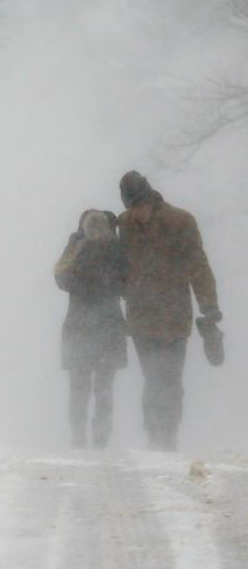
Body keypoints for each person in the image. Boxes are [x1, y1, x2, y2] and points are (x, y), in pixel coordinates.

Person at [117, 171, 222, 451]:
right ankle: (154, 435)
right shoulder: (124, 224)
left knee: (171, 379)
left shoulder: (181, 221)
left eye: (139, 206)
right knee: (152, 376)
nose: (137, 213)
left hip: (173, 314)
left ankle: (169, 435)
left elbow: (198, 267)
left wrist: (209, 308)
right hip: (140, 315)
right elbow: (119, 266)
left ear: (149, 198)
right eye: (131, 208)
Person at [54, 209, 127, 449]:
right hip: (103, 326)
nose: (95, 231)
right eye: (91, 226)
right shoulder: (114, 247)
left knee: (82, 386)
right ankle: (95, 437)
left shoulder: (82, 247)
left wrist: (83, 283)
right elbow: (125, 281)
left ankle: (85, 437)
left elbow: (61, 276)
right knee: (99, 387)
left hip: (82, 325)